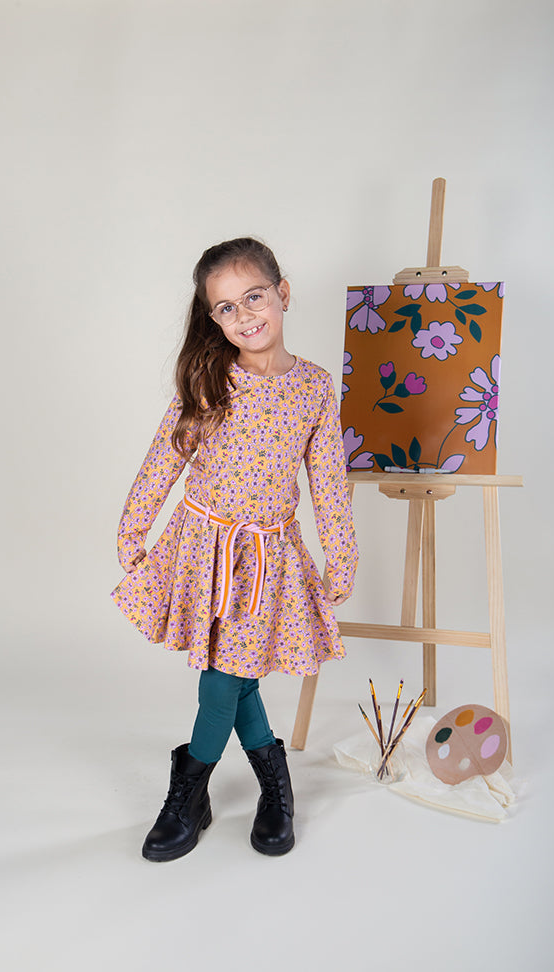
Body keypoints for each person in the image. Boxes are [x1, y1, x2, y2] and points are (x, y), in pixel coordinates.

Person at [111, 237, 358, 861]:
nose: (245, 315)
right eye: (226, 308)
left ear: (283, 293)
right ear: (213, 317)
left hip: (267, 559)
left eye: (254, 297)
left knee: (227, 679)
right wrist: (133, 530)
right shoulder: (209, 379)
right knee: (232, 677)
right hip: (203, 551)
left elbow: (328, 481)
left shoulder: (314, 388)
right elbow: (164, 459)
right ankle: (267, 787)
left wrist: (341, 555)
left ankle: (189, 788)